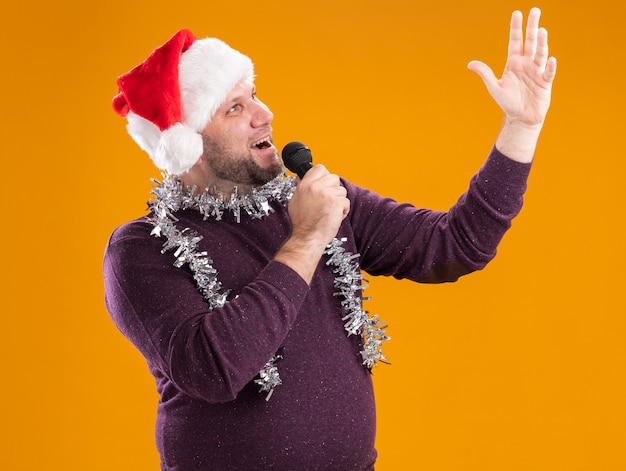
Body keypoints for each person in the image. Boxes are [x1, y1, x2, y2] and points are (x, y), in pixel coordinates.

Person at [104, 7, 556, 471]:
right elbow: (216, 369)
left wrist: (521, 127)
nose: (264, 114)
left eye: (254, 94)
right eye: (234, 108)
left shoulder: (317, 197)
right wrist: (308, 237)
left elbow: (457, 245)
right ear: (190, 144)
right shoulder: (141, 249)